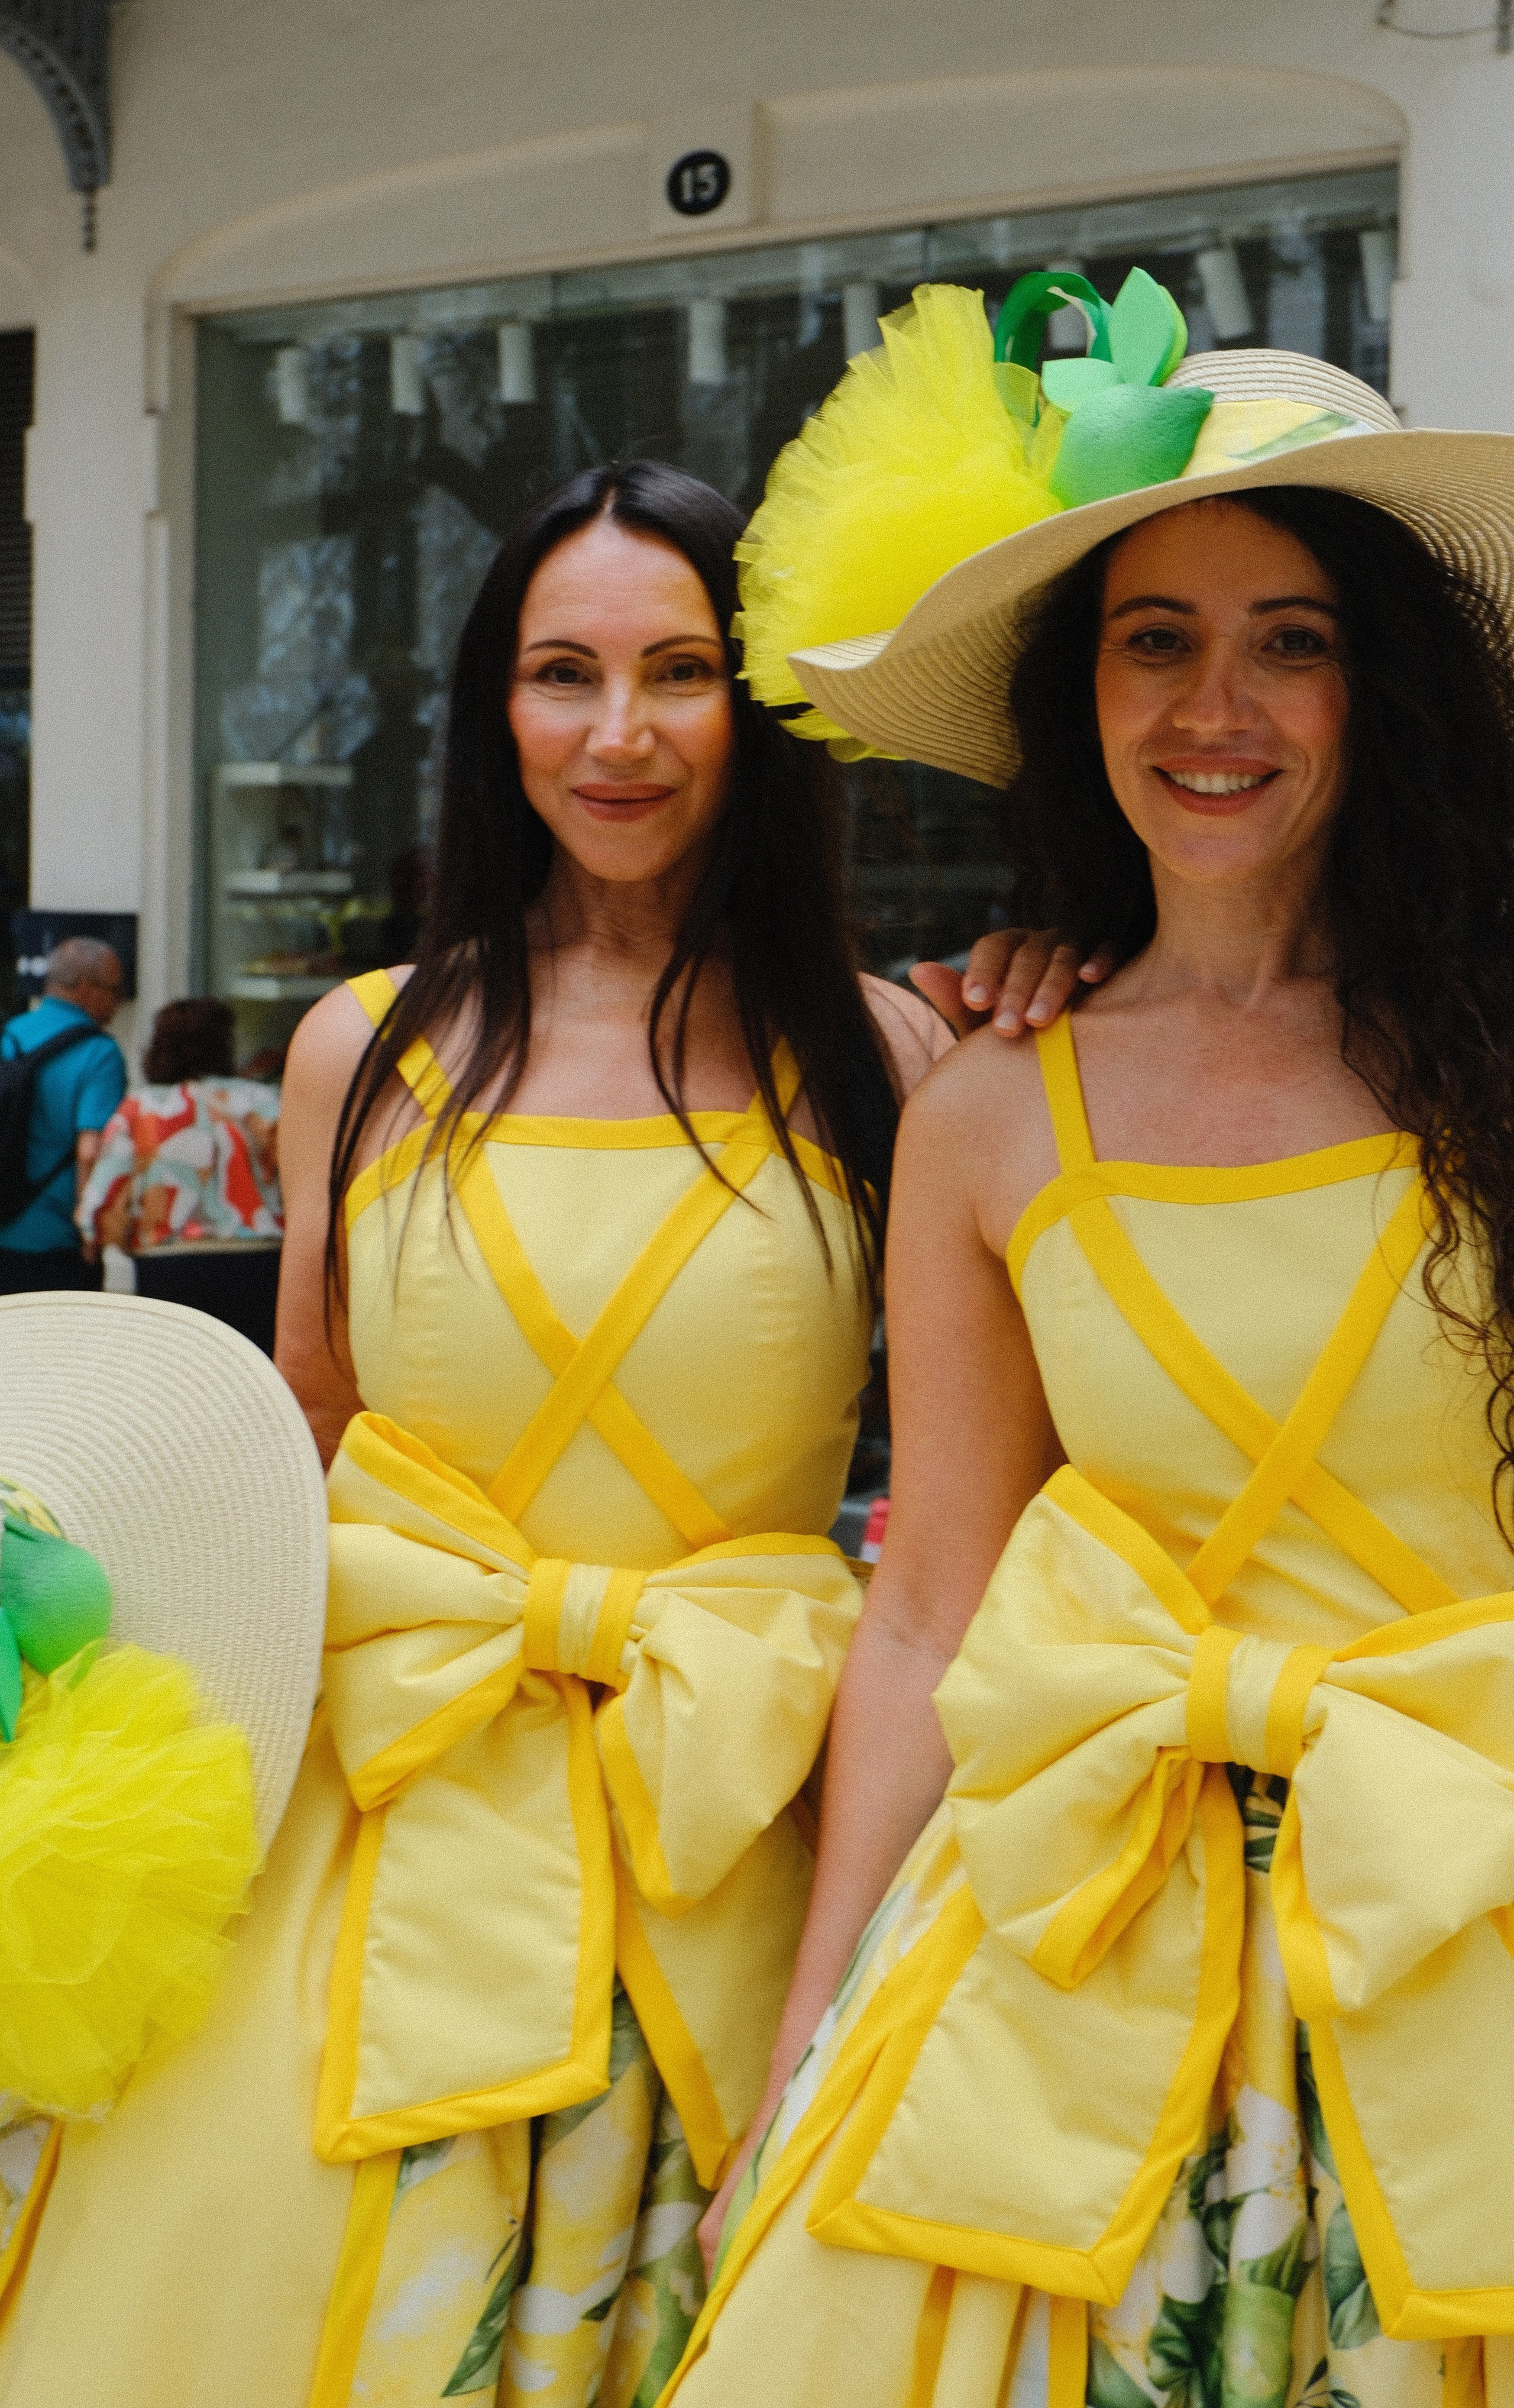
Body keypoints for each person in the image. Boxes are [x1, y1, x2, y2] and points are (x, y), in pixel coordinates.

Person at [0, 456, 1063, 2408]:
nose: (621, 733)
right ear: (498, 708)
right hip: (368, 1816)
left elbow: (994, 1507)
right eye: (563, 673)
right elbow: (288, 1448)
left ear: (758, 709)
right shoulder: (364, 1047)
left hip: (744, 1834)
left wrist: (1080, 976)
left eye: (678, 672)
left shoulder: (905, 1056)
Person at [665, 275, 1514, 2408]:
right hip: (1060, 1947)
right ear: (1077, 696)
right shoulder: (980, 1108)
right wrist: (808, 2026)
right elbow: (926, 1598)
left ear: (1377, 691)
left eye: (1285, 640)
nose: (1211, 706)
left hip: (1461, 1930)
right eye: (1156, 637)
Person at [76, 995, 283, 1353]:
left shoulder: (141, 1109)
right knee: (252, 1383)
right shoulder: (262, 1100)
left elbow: (105, 1196)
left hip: (170, 1264)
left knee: (179, 1387)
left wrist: (113, 1240)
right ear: (224, 1043)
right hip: (258, 1262)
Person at [0, 937, 125, 1292]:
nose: (117, 1001)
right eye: (115, 990)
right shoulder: (99, 1053)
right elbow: (89, 1151)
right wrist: (90, 1236)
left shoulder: (10, 1036)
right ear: (87, 989)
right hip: (56, 1241)